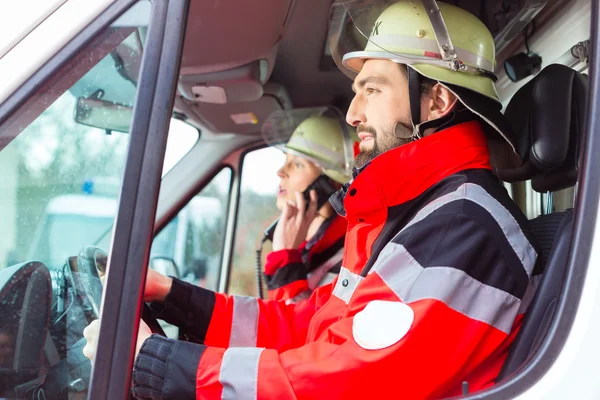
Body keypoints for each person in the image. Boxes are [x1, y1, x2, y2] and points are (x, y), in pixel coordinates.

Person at [83, 1, 539, 398]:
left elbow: (350, 385)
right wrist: (174, 296)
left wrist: (159, 364)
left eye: (373, 89)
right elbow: (307, 326)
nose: (355, 113)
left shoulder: (462, 225)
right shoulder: (415, 216)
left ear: (437, 100)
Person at [261, 109, 358, 303]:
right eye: (285, 161)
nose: (281, 172)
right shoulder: (313, 248)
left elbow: (298, 329)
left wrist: (285, 262)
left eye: (297, 164)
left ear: (331, 183)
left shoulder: (347, 261)